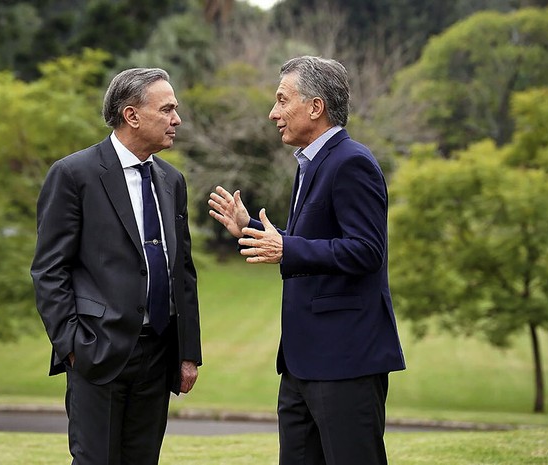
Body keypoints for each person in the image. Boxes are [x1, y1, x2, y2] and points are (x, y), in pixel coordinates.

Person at [208, 56, 405, 465]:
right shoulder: (309, 165)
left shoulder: (351, 162)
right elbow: (311, 243)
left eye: (282, 100)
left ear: (316, 107)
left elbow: (367, 250)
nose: (273, 113)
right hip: (301, 364)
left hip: (345, 360)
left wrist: (287, 248)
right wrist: (251, 230)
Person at [31, 67, 201, 465]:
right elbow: (49, 270)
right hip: (97, 351)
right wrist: (72, 346)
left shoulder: (172, 180)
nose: (177, 119)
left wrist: (187, 352)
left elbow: (183, 272)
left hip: (159, 355)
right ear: (132, 116)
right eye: (168, 109)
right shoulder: (73, 175)